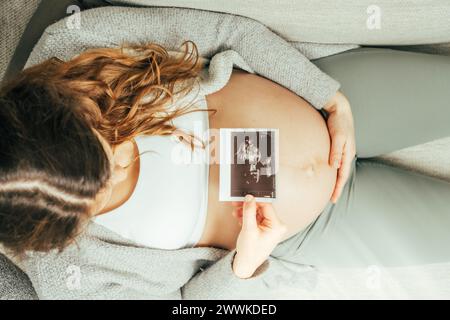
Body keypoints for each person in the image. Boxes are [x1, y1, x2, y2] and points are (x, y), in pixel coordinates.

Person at [0, 7, 449, 299]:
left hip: (325, 95)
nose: (125, 156)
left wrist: (331, 99)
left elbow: (226, 31)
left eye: (103, 132)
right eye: (106, 181)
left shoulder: (71, 47)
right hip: (317, 224)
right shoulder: (70, 278)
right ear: (67, 222)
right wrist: (244, 264)